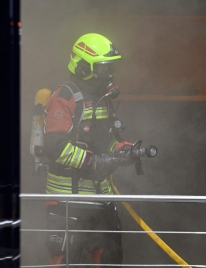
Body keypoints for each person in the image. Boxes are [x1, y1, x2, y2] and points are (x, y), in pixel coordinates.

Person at [42, 33, 136, 267]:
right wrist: (94, 162)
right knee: (66, 262)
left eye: (111, 68)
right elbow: (54, 147)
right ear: (83, 67)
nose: (110, 75)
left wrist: (124, 149)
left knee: (110, 259)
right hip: (67, 202)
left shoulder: (103, 99)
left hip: (101, 199)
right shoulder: (65, 96)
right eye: (104, 69)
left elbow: (108, 141)